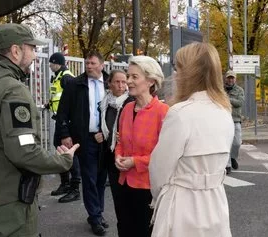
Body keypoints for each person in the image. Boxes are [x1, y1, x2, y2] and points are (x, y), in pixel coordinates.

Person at [0, 23, 79, 237]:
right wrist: (63, 161)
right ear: (15, 51)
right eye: (31, 48)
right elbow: (23, 151)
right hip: (8, 208)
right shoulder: (12, 90)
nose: (34, 54)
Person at [149, 42, 234, 237]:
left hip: (183, 204)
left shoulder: (180, 114)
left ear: (190, 73)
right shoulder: (224, 111)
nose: (176, 75)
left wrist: (158, 198)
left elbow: (159, 170)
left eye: (178, 69)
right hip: (216, 203)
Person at [114, 56, 169, 237]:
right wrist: (118, 157)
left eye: (134, 77)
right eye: (128, 76)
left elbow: (164, 156)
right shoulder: (127, 108)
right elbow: (120, 141)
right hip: (123, 184)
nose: (128, 81)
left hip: (148, 188)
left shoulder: (163, 112)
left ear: (151, 80)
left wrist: (135, 162)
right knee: (124, 229)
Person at [56, 51, 109, 236]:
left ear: (102, 65)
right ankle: (95, 217)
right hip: (85, 139)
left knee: (101, 179)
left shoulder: (111, 85)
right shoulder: (75, 84)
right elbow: (62, 111)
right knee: (90, 179)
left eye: (93, 63)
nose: (89, 66)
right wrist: (64, 134)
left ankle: (98, 213)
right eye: (87, 63)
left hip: (106, 140)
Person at [95, 70, 134, 233]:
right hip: (108, 154)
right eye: (117, 82)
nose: (121, 85)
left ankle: (128, 225)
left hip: (125, 156)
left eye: (124, 82)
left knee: (127, 197)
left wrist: (124, 136)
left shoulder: (130, 102)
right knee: (115, 195)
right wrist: (100, 133)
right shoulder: (104, 103)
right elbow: (104, 125)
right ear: (109, 83)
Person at [47, 52, 81, 203]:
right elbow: (59, 98)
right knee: (60, 150)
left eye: (51, 63)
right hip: (60, 119)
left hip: (66, 123)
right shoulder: (57, 77)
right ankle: (65, 183)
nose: (49, 65)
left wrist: (67, 125)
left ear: (58, 63)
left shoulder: (66, 77)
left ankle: (75, 188)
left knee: (69, 153)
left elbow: (72, 101)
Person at [224, 69, 244, 174]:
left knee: (236, 143)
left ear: (235, 79)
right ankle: (227, 166)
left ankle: (233, 157)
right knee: (226, 143)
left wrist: (227, 99)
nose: (230, 80)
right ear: (226, 78)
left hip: (236, 119)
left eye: (232, 78)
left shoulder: (239, 90)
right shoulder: (221, 90)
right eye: (229, 77)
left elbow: (239, 103)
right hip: (224, 120)